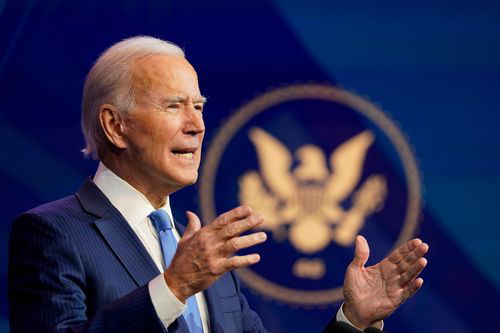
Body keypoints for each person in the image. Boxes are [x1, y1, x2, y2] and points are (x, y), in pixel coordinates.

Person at [8, 36, 429, 333]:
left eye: (199, 106)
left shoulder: (204, 255)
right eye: (174, 106)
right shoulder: (53, 233)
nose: (197, 126)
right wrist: (172, 289)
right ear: (115, 126)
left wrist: (352, 321)